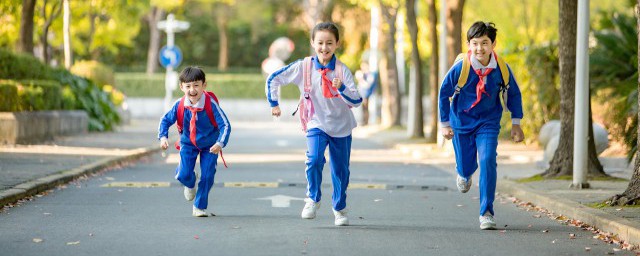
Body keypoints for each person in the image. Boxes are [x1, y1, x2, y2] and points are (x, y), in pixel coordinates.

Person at [265, 22, 362, 226]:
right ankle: (313, 198)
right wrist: (274, 103)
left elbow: (356, 100)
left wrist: (342, 87)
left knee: (340, 170)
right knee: (314, 159)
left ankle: (339, 208)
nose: (324, 48)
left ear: (337, 44)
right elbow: (274, 79)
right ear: (312, 43)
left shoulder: (342, 70)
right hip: (316, 122)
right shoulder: (304, 66)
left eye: (329, 43)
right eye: (320, 43)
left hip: (341, 126)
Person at [438, 21, 524, 230]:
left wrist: (516, 123)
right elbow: (443, 93)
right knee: (467, 166)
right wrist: (445, 124)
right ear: (469, 44)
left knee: (487, 160)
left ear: (493, 44)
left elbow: (513, 94)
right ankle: (464, 173)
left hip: (488, 122)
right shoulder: (461, 67)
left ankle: (486, 212)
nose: (479, 48)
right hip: (462, 122)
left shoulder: (501, 68)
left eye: (484, 43)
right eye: (475, 43)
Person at [158, 66, 231, 217]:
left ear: (204, 85)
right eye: (188, 86)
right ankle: (190, 183)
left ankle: (199, 206)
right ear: (181, 87)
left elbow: (225, 125)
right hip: (188, 144)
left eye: (196, 85)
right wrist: (163, 137)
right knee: (183, 175)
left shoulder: (211, 104)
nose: (192, 90)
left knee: (208, 175)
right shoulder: (179, 105)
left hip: (210, 146)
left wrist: (220, 143)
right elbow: (165, 120)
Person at [354, 61, 377, 126]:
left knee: (365, 108)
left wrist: (361, 79)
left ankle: (366, 122)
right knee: (363, 108)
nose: (362, 68)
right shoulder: (362, 74)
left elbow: (368, 85)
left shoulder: (371, 75)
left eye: (364, 66)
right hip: (361, 93)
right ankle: (364, 121)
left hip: (367, 94)